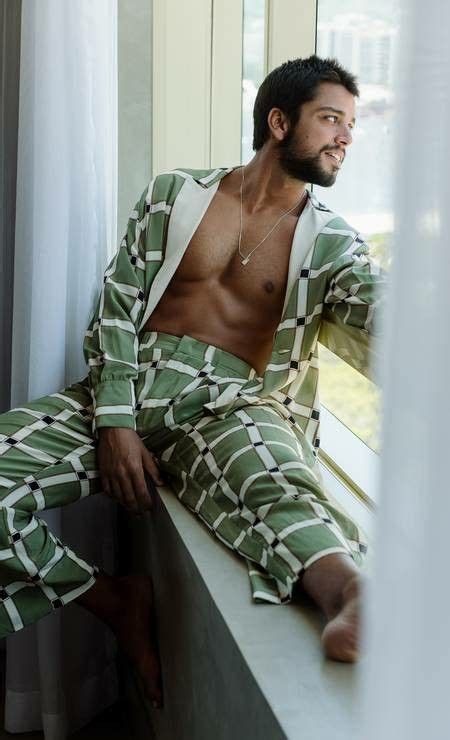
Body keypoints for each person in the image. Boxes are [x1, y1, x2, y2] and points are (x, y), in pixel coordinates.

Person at [0, 55, 383, 707]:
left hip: (232, 404)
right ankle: (112, 599)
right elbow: (118, 306)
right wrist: (115, 421)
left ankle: (351, 592)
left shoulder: (332, 244)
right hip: (126, 387)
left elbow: (380, 311)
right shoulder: (178, 196)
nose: (346, 136)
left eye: (351, 124)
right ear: (279, 122)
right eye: (330, 119)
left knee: (274, 481)